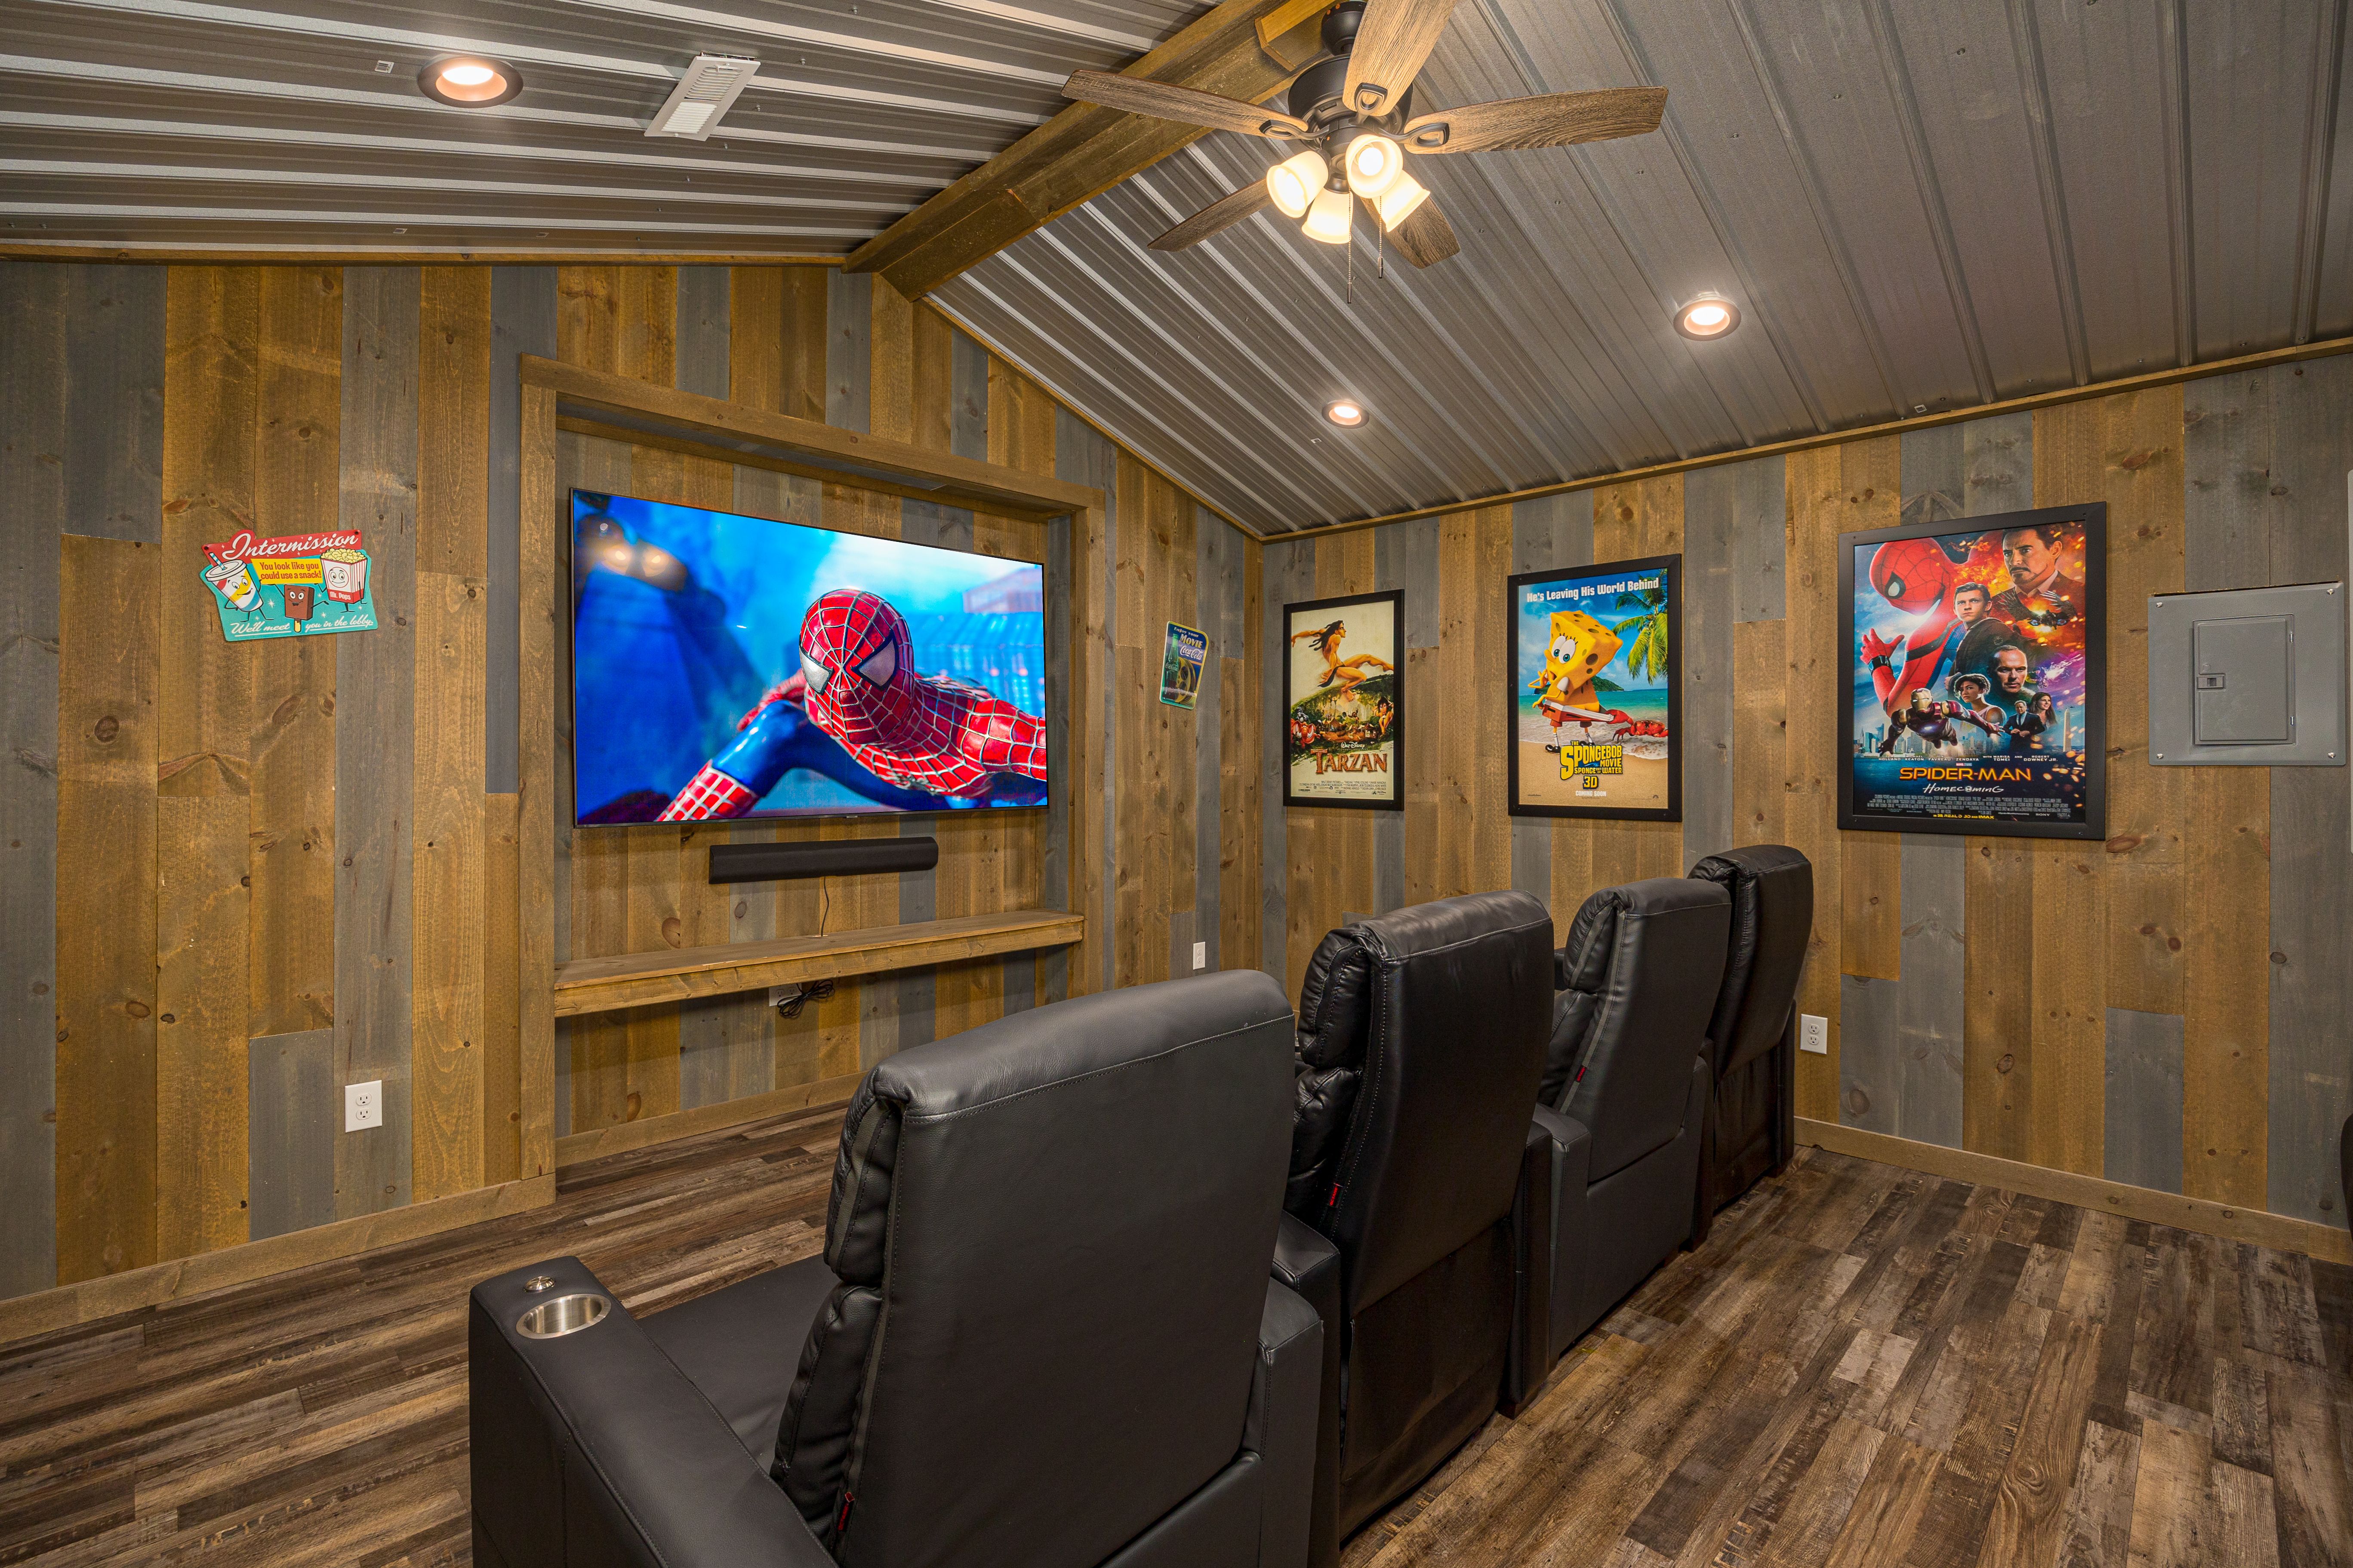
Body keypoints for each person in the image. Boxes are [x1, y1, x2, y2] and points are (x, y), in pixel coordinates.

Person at [659, 588, 1047, 820]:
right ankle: (667, 836)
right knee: (776, 724)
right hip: (887, 768)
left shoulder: (984, 731)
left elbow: (1065, 757)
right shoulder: (821, 688)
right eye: (825, 674)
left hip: (954, 789)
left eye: (868, 672)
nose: (844, 693)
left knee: (965, 812)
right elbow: (814, 675)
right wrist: (778, 696)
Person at [1989, 524, 2085, 638]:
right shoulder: (1993, 605)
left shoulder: (2084, 595)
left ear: (2055, 550)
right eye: (2008, 554)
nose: (2014, 562)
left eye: (2026, 550)